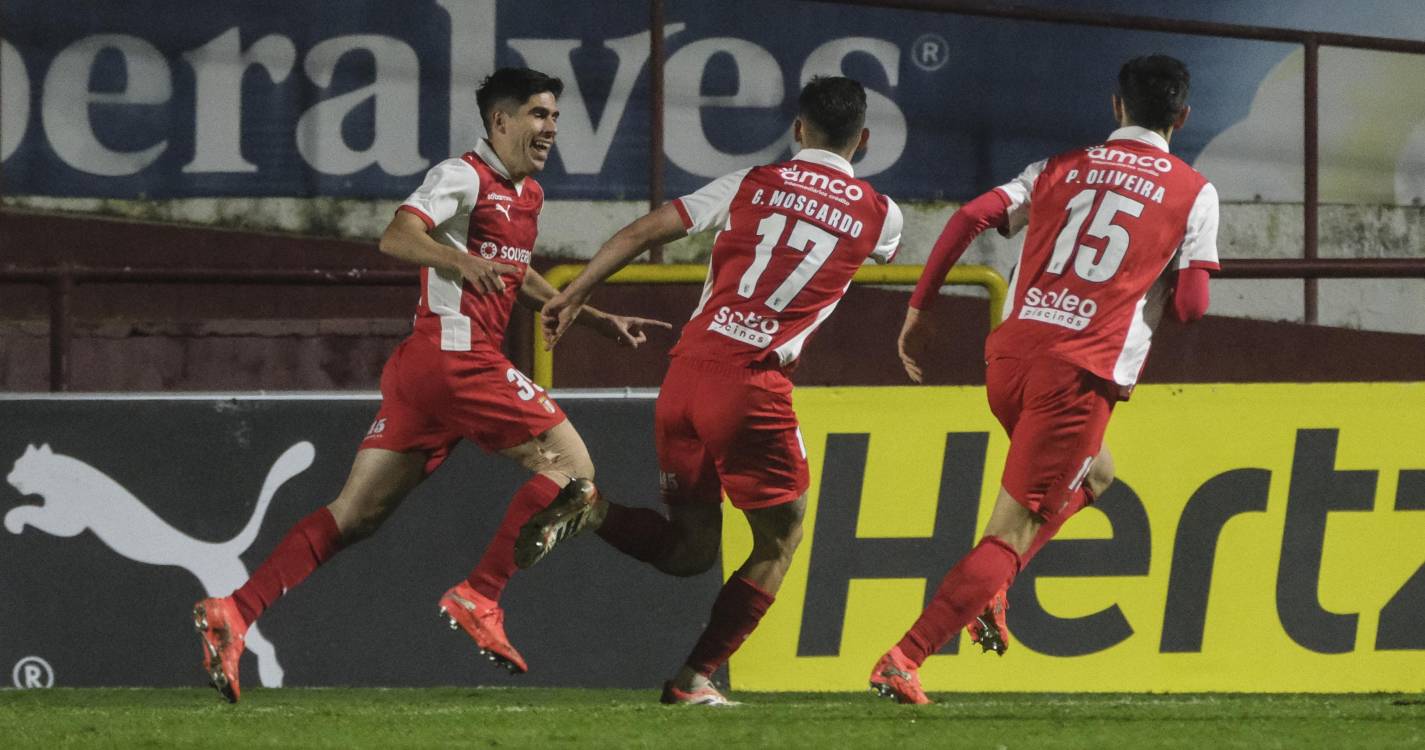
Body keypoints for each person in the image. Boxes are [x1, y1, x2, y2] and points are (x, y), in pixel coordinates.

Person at [191, 67, 669, 703]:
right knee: (574, 468)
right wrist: (458, 259)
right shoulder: (461, 176)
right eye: (538, 114)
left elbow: (515, 274)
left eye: (555, 116)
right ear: (500, 121)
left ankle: (235, 610)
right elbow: (397, 235)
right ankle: (481, 594)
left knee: (356, 514)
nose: (550, 127)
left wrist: (593, 316)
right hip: (456, 357)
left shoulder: (527, 193)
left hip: (428, 373)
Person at [521, 76, 904, 706]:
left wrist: (576, 291)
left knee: (692, 550)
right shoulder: (882, 214)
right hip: (752, 385)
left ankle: (595, 511)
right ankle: (693, 680)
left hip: (685, 376)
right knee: (780, 539)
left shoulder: (750, 182)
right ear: (863, 140)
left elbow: (644, 232)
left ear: (797, 130)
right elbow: (877, 251)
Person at [869, 54, 1219, 704]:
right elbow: (1193, 307)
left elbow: (967, 218)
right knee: (1008, 534)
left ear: (1116, 107)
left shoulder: (1058, 167)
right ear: (1182, 117)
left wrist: (919, 309)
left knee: (1098, 474)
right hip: (1077, 376)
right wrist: (1160, 276)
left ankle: (992, 587)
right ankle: (906, 655)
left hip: (1009, 359)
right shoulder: (1193, 191)